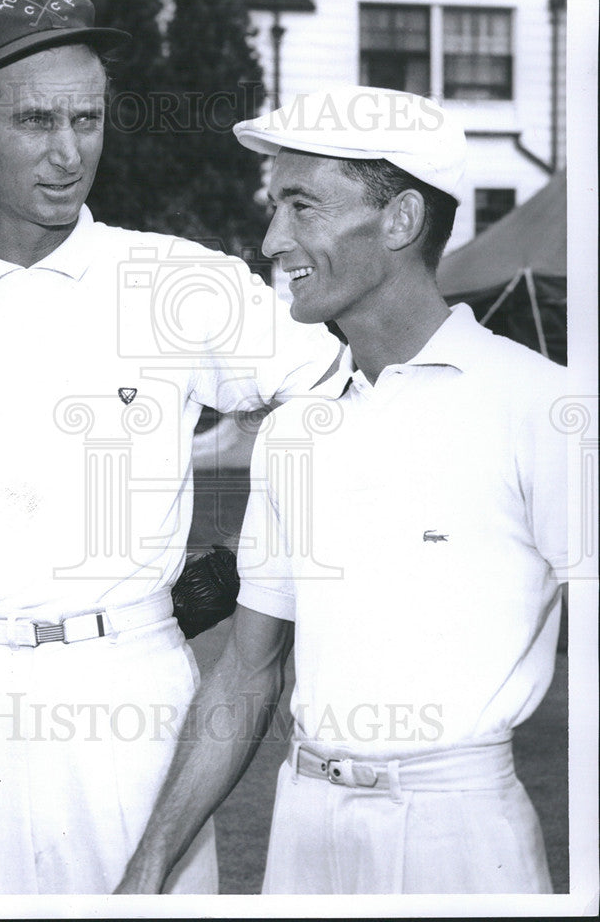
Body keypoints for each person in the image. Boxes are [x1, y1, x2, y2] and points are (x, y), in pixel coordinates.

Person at [0, 0, 340, 895]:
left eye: (87, 118)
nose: (68, 154)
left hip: (129, 690)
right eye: (34, 121)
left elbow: (336, 386)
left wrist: (260, 561)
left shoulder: (174, 279)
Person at [116, 84, 568, 895]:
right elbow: (246, 675)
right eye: (271, 205)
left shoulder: (542, 408)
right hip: (302, 828)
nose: (268, 239)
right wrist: (145, 870)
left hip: (460, 839)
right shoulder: (296, 431)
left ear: (398, 222)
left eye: (300, 206)